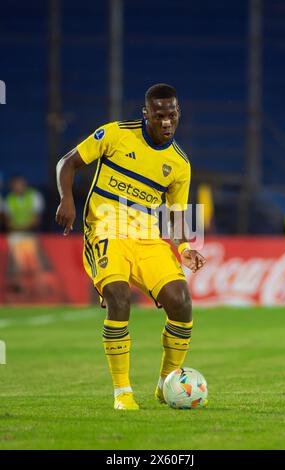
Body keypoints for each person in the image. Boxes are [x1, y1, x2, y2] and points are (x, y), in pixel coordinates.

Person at [55, 83, 207, 410]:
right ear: (146, 114)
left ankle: (166, 385)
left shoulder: (180, 164)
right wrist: (66, 199)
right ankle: (122, 393)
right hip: (106, 231)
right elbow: (66, 164)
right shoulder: (115, 135)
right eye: (160, 115)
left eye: (172, 115)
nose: (167, 122)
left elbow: (177, 217)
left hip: (148, 239)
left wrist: (184, 250)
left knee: (181, 302)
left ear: (178, 114)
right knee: (119, 299)